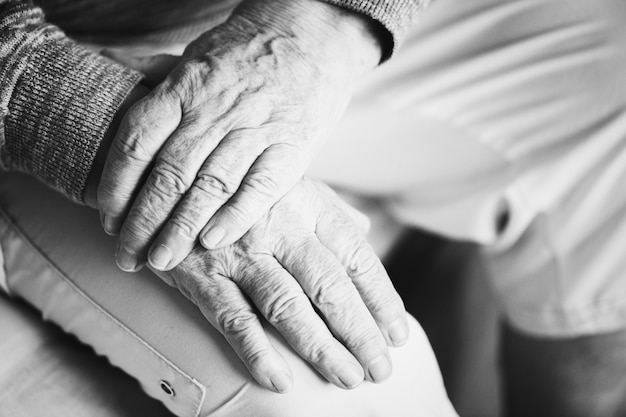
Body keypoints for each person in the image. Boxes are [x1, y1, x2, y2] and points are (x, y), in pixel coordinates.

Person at [0, 0, 458, 416]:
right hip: (51, 74)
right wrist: (155, 158)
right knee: (349, 393)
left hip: (251, 19)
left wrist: (316, 31)